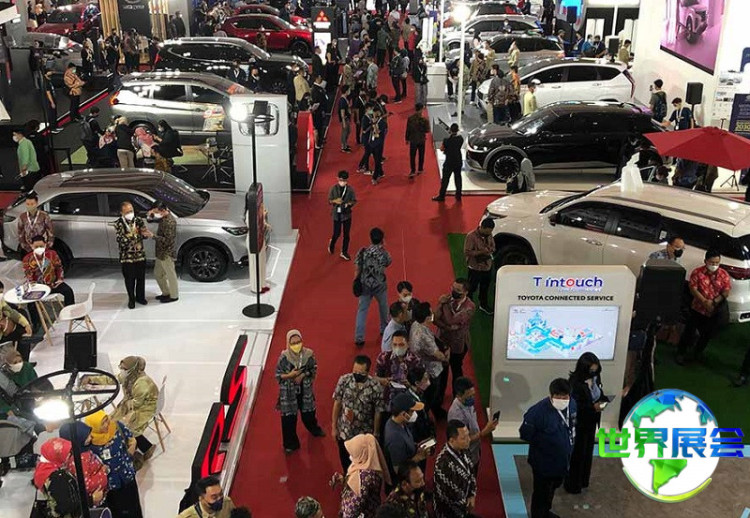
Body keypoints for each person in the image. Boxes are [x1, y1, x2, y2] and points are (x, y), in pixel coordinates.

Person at [82, 356, 158, 466]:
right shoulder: (129, 376)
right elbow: (112, 380)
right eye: (121, 367)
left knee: (124, 427)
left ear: (132, 369)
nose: (121, 370)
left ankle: (135, 451)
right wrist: (92, 379)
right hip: (130, 403)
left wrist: (122, 412)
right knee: (110, 420)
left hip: (145, 408)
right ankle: (143, 446)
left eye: (124, 369)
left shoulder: (142, 384)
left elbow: (136, 404)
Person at [519, 378, 577, 518]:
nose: (562, 400)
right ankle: (538, 515)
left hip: (562, 461)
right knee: (541, 493)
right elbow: (525, 434)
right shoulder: (537, 412)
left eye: (565, 397)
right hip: (543, 463)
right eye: (558, 397)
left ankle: (545, 512)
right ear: (551, 395)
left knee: (552, 489)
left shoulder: (572, 404)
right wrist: (544, 443)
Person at [82, 411, 144, 518]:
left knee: (134, 507)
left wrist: (130, 451)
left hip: (127, 475)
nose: (106, 425)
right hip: (110, 485)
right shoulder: (89, 442)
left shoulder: (115, 427)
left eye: (106, 420)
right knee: (117, 511)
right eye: (102, 423)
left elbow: (130, 438)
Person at [676, 249, 731, 365]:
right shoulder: (697, 272)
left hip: (713, 310)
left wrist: (714, 302)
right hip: (697, 308)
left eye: (717, 263)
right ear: (705, 261)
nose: (714, 265)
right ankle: (681, 353)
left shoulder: (723, 274)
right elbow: (693, 288)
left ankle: (697, 354)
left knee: (706, 334)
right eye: (712, 262)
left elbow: (726, 291)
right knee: (689, 331)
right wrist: (704, 301)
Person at [275, 329, 325, 453]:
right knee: (289, 419)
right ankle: (290, 444)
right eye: (293, 343)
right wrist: (290, 375)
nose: (296, 345)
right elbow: (278, 376)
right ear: (288, 343)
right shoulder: (283, 358)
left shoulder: (308, 355)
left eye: (298, 342)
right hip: (289, 393)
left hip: (305, 390)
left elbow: (313, 369)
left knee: (309, 414)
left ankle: (314, 429)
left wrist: (302, 375)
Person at [332, 355, 385, 471]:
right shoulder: (344, 380)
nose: (356, 375)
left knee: (363, 464)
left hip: (363, 433)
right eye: (354, 371)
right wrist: (334, 427)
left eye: (360, 373)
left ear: (367, 372)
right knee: (345, 461)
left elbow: (378, 411)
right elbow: (337, 403)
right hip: (345, 431)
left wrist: (376, 432)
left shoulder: (375, 387)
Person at [563, 353, 606, 494]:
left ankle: (583, 480)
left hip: (591, 421)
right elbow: (575, 405)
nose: (594, 372)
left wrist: (602, 402)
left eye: (595, 370)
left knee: (587, 453)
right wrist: (592, 407)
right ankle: (573, 484)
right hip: (579, 423)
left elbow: (599, 394)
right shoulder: (575, 383)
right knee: (577, 454)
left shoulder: (595, 379)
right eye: (591, 370)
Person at [33, 435, 108, 510]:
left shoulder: (44, 469)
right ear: (57, 456)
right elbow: (65, 505)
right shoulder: (56, 478)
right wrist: (91, 499)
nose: (69, 456)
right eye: (67, 454)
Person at [448, 377, 498, 474]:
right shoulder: (456, 415)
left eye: (473, 395)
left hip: (475, 450)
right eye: (469, 396)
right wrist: (483, 433)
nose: (472, 399)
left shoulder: (467, 403)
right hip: (465, 455)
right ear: (459, 395)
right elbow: (460, 441)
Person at [337, 434, 391, 518]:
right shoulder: (367, 464)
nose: (351, 456)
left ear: (362, 453)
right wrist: (344, 480)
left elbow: (352, 510)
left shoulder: (364, 479)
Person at [409, 302, 448, 418]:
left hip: (421, 366)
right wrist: (446, 356)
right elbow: (438, 355)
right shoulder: (424, 337)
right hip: (431, 370)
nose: (433, 314)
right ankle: (427, 415)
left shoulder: (416, 324)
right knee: (432, 395)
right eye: (431, 313)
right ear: (426, 318)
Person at [354, 227, 392, 346]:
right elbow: (388, 262)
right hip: (379, 285)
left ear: (370, 238)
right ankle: (384, 329)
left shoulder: (362, 251)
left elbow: (357, 268)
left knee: (362, 310)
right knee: (383, 307)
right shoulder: (384, 254)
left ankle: (359, 337)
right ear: (382, 239)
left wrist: (356, 280)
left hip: (365, 285)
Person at [433, 279, 475, 384]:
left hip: (458, 343)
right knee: (442, 369)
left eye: (458, 290)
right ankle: (440, 392)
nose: (454, 291)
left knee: (456, 369)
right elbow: (435, 318)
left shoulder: (469, 307)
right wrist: (447, 327)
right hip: (443, 339)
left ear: (466, 292)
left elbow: (451, 320)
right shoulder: (447, 299)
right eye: (453, 288)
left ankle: (458, 392)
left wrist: (444, 304)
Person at [433, 420, 476, 518]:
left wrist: (472, 494)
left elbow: (472, 473)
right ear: (452, 440)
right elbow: (451, 496)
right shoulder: (444, 463)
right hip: (449, 512)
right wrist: (466, 506)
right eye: (464, 438)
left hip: (464, 506)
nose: (469, 440)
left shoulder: (465, 450)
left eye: (468, 436)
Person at [384, 393, 429, 482]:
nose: (414, 413)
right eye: (412, 411)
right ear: (404, 414)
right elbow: (398, 470)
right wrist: (418, 457)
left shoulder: (398, 422)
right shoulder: (394, 438)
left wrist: (416, 446)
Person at [22, 234, 75, 305]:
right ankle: (35, 313)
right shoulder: (27, 258)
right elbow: (27, 273)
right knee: (30, 301)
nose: (39, 248)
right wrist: (33, 284)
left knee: (68, 291)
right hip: (37, 286)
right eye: (36, 247)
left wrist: (60, 279)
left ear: (45, 245)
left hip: (53, 284)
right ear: (31, 246)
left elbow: (59, 267)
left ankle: (69, 310)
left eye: (41, 246)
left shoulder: (52, 254)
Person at [115, 201, 149, 309]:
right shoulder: (119, 223)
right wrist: (135, 237)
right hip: (127, 257)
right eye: (127, 212)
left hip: (139, 255)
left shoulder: (138, 220)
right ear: (122, 213)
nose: (130, 213)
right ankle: (131, 299)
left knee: (141, 278)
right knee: (129, 279)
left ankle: (140, 297)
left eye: (131, 211)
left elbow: (144, 233)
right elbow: (121, 239)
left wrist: (144, 234)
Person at [147, 202, 179, 302]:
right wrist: (150, 214)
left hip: (167, 253)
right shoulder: (163, 217)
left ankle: (174, 296)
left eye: (156, 212)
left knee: (170, 275)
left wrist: (153, 236)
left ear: (163, 210)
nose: (156, 214)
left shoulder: (170, 222)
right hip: (161, 252)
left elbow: (167, 241)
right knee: (158, 273)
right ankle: (166, 292)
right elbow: (150, 219)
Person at [464, 218, 496, 314]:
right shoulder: (471, 236)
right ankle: (468, 306)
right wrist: (481, 252)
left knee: (485, 287)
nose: (488, 234)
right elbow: (467, 252)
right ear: (482, 227)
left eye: (490, 232)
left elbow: (493, 246)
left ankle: (483, 305)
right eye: (487, 232)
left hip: (487, 267)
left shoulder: (489, 235)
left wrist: (490, 250)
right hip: (475, 267)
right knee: (471, 288)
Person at [328, 171, 357, 260]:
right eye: (341, 180)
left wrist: (348, 204)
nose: (342, 182)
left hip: (346, 214)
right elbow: (329, 200)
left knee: (346, 234)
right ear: (337, 178)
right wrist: (335, 201)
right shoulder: (333, 189)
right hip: (336, 214)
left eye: (344, 180)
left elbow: (354, 201)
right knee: (337, 233)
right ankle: (332, 243)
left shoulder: (350, 190)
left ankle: (344, 252)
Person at [432, 123, 464, 202]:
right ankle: (458, 195)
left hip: (449, 162)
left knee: (445, 180)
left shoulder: (446, 140)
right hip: (458, 161)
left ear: (450, 130)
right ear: (457, 130)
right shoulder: (460, 139)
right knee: (458, 178)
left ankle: (442, 196)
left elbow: (442, 149)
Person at [0, 349, 37, 416]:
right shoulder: (3, 377)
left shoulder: (27, 367)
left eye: (20, 361)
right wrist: (7, 409)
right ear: (8, 364)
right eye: (15, 362)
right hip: (12, 406)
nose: (18, 364)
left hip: (28, 400)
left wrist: (38, 392)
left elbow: (36, 382)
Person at [0, 282, 33, 349]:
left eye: (1, 292)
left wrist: (26, 324)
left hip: (4, 327)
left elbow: (11, 312)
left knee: (22, 314)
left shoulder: (1, 302)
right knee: (20, 334)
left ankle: (26, 338)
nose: (1, 295)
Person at [405, 104, 430, 178]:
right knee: (421, 155)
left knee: (412, 156)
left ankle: (413, 170)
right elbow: (427, 130)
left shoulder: (410, 118)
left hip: (413, 140)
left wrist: (407, 138)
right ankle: (420, 169)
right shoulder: (424, 120)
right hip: (421, 140)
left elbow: (408, 129)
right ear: (421, 109)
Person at [42, 69, 59, 133]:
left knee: (54, 113)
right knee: (51, 115)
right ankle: (52, 128)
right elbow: (48, 93)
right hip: (49, 101)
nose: (51, 73)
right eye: (50, 72)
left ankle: (56, 127)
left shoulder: (49, 80)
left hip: (53, 98)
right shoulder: (45, 82)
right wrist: (52, 102)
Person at [339, 86, 352, 153]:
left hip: (347, 118)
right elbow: (342, 112)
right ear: (346, 91)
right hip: (345, 118)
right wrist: (343, 121)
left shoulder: (345, 99)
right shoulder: (342, 100)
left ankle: (345, 144)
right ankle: (343, 147)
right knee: (345, 132)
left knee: (348, 131)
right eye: (349, 90)